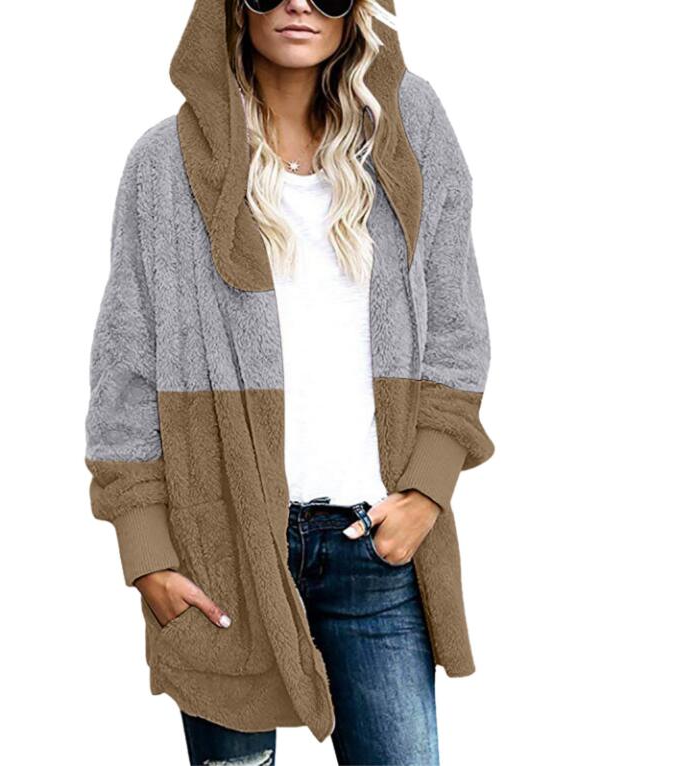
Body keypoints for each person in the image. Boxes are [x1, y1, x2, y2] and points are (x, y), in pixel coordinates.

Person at [84, 1, 495, 764]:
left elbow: (456, 327)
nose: (299, 3)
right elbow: (125, 369)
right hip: (222, 551)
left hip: (373, 550)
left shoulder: (408, 134)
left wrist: (426, 491)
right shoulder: (165, 165)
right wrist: (147, 554)